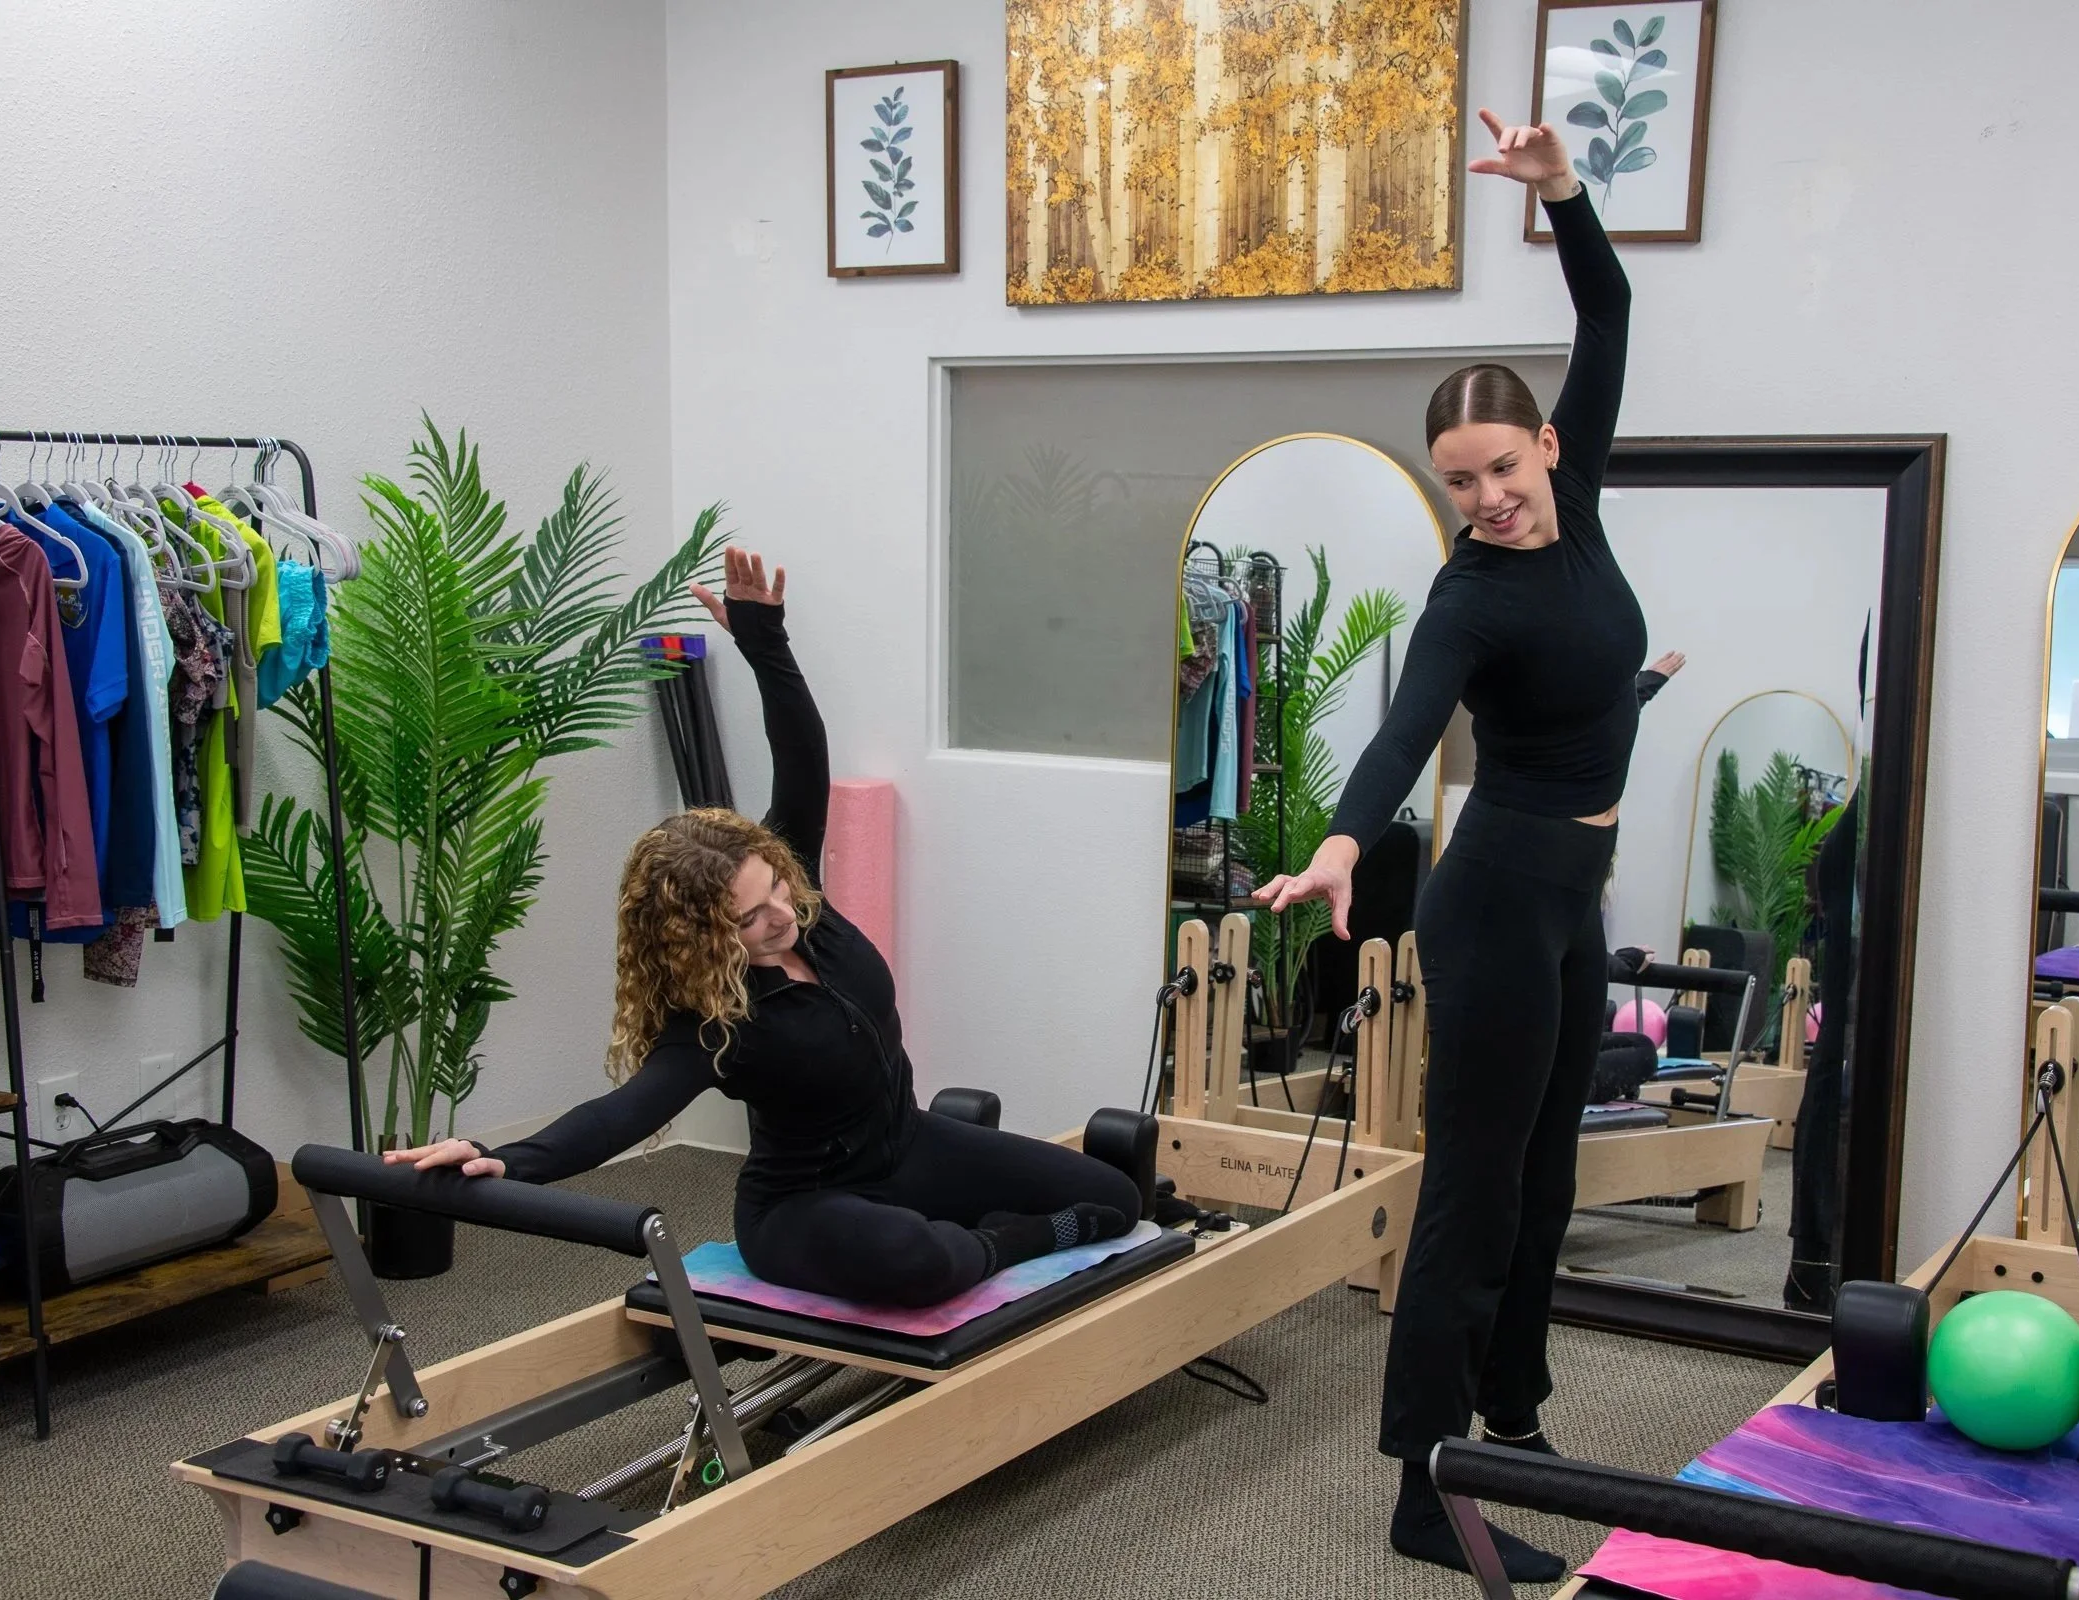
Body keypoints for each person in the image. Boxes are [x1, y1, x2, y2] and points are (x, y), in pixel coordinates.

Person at [1254, 109, 1652, 1581]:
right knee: (1472, 1194)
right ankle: (1427, 1492)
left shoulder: (1582, 501)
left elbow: (1604, 310)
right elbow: (1404, 729)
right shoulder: (1467, 596)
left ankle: (1514, 1409)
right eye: (1455, 480)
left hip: (1571, 897)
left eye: (1497, 466)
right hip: (1490, 903)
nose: (1483, 498)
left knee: (1548, 1176)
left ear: (1545, 445)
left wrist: (1563, 195)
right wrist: (1352, 838)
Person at [386, 547, 1140, 1308]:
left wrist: (763, 638)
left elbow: (802, 757)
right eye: (751, 917)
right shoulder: (714, 1019)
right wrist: (504, 1160)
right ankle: (998, 1242)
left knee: (1114, 1195)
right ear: (702, 938)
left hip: (908, 1146)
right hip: (801, 1207)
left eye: (777, 884)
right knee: (919, 1264)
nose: (783, 911)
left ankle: (969, 1237)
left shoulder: (797, 895)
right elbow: (619, 1115)